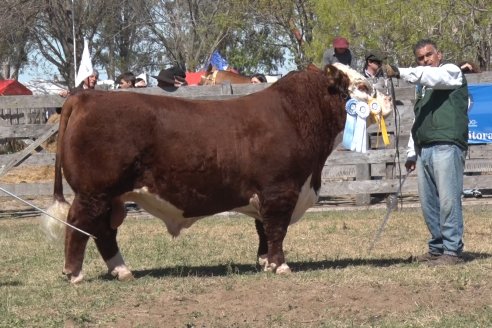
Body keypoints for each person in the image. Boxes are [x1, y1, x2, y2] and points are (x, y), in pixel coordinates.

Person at [384, 39, 469, 266]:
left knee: (448, 200)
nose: (425, 60)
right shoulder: (421, 90)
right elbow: (417, 121)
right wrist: (412, 153)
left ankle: (452, 251)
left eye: (429, 55)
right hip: (424, 149)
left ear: (439, 55)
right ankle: (437, 247)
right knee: (428, 202)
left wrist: (399, 71)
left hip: (447, 145)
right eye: (420, 58)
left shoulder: (452, 72)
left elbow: (432, 76)